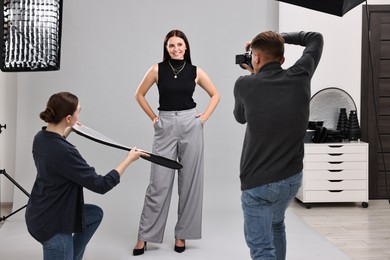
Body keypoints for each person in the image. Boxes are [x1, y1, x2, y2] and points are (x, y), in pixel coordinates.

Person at [25, 92, 148, 260]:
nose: (79, 115)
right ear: (68, 117)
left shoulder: (41, 138)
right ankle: (65, 253)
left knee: (95, 214)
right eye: (78, 111)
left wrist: (70, 129)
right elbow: (101, 185)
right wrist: (128, 159)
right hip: (54, 227)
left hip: (37, 213)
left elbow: (56, 148)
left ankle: (71, 256)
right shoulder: (66, 152)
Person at [233, 31, 323, 260]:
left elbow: (240, 117)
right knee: (276, 224)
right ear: (282, 60)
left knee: (262, 249)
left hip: (258, 183)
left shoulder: (244, 84)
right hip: (291, 180)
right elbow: (315, 38)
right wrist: (280, 38)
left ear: (255, 58)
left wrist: (254, 73)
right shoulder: (301, 75)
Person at [133, 29, 220, 255]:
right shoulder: (156, 69)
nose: (176, 49)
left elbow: (215, 95)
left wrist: (204, 119)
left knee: (190, 182)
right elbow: (139, 94)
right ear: (166, 48)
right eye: (171, 45)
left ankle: (181, 235)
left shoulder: (195, 71)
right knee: (158, 183)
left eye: (179, 44)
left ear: (186, 47)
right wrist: (154, 117)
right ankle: (144, 236)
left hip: (191, 124)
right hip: (165, 125)